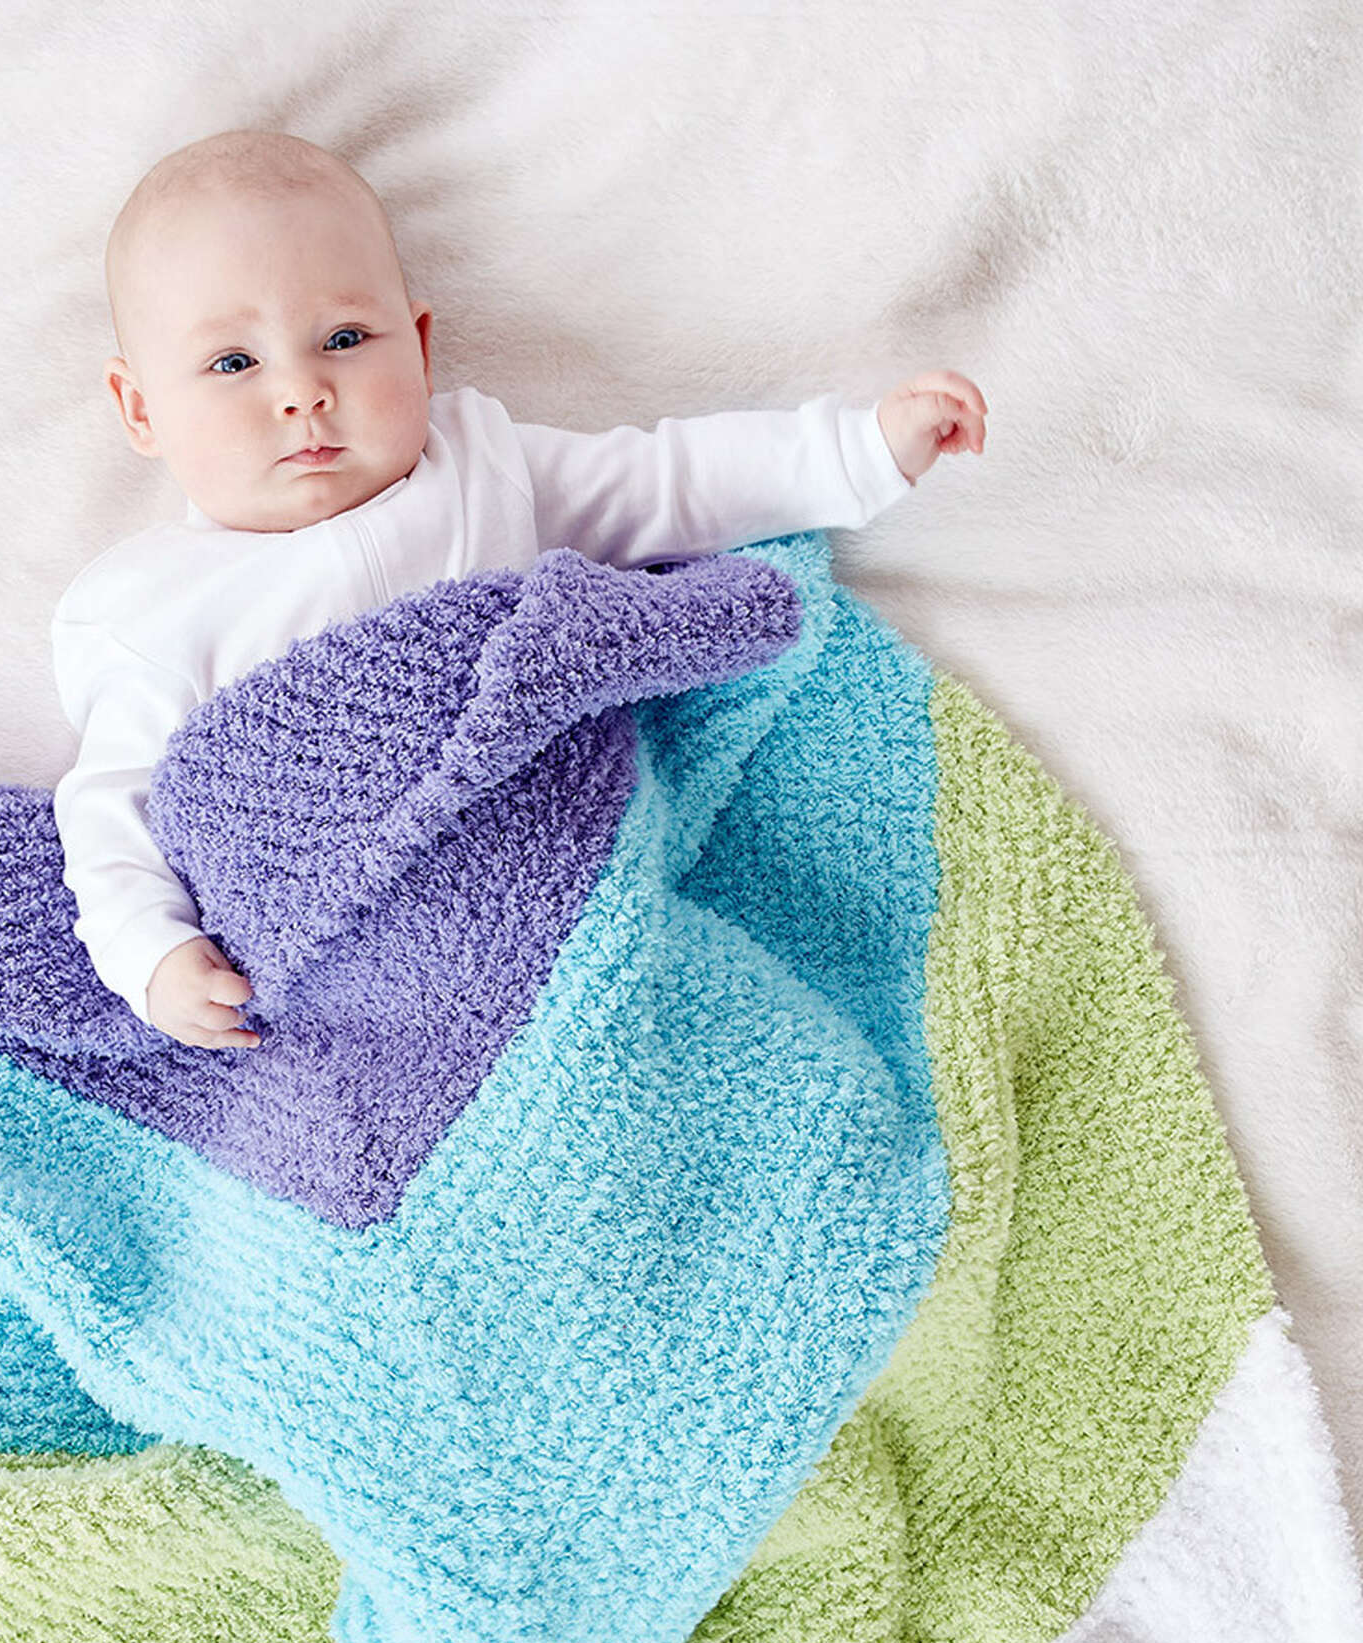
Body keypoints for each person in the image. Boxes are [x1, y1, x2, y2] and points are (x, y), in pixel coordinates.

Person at [52, 129, 986, 1051]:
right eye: (233, 363)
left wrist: (857, 451)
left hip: (561, 881)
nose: (302, 391)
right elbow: (114, 810)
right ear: (140, 408)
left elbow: (668, 484)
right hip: (363, 975)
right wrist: (152, 955)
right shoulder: (155, 610)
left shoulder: (482, 470)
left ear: (419, 346)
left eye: (343, 338)